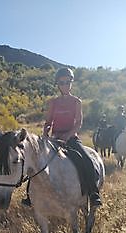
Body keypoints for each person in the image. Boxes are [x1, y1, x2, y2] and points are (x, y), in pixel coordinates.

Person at [42, 67, 102, 207]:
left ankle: (93, 193)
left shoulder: (76, 102)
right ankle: (30, 195)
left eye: (68, 82)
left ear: (71, 83)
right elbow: (48, 122)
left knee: (86, 159)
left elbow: (79, 122)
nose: (65, 85)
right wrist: (46, 133)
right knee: (38, 161)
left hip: (71, 137)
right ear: (57, 84)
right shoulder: (53, 102)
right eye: (62, 82)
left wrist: (68, 135)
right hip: (55, 138)